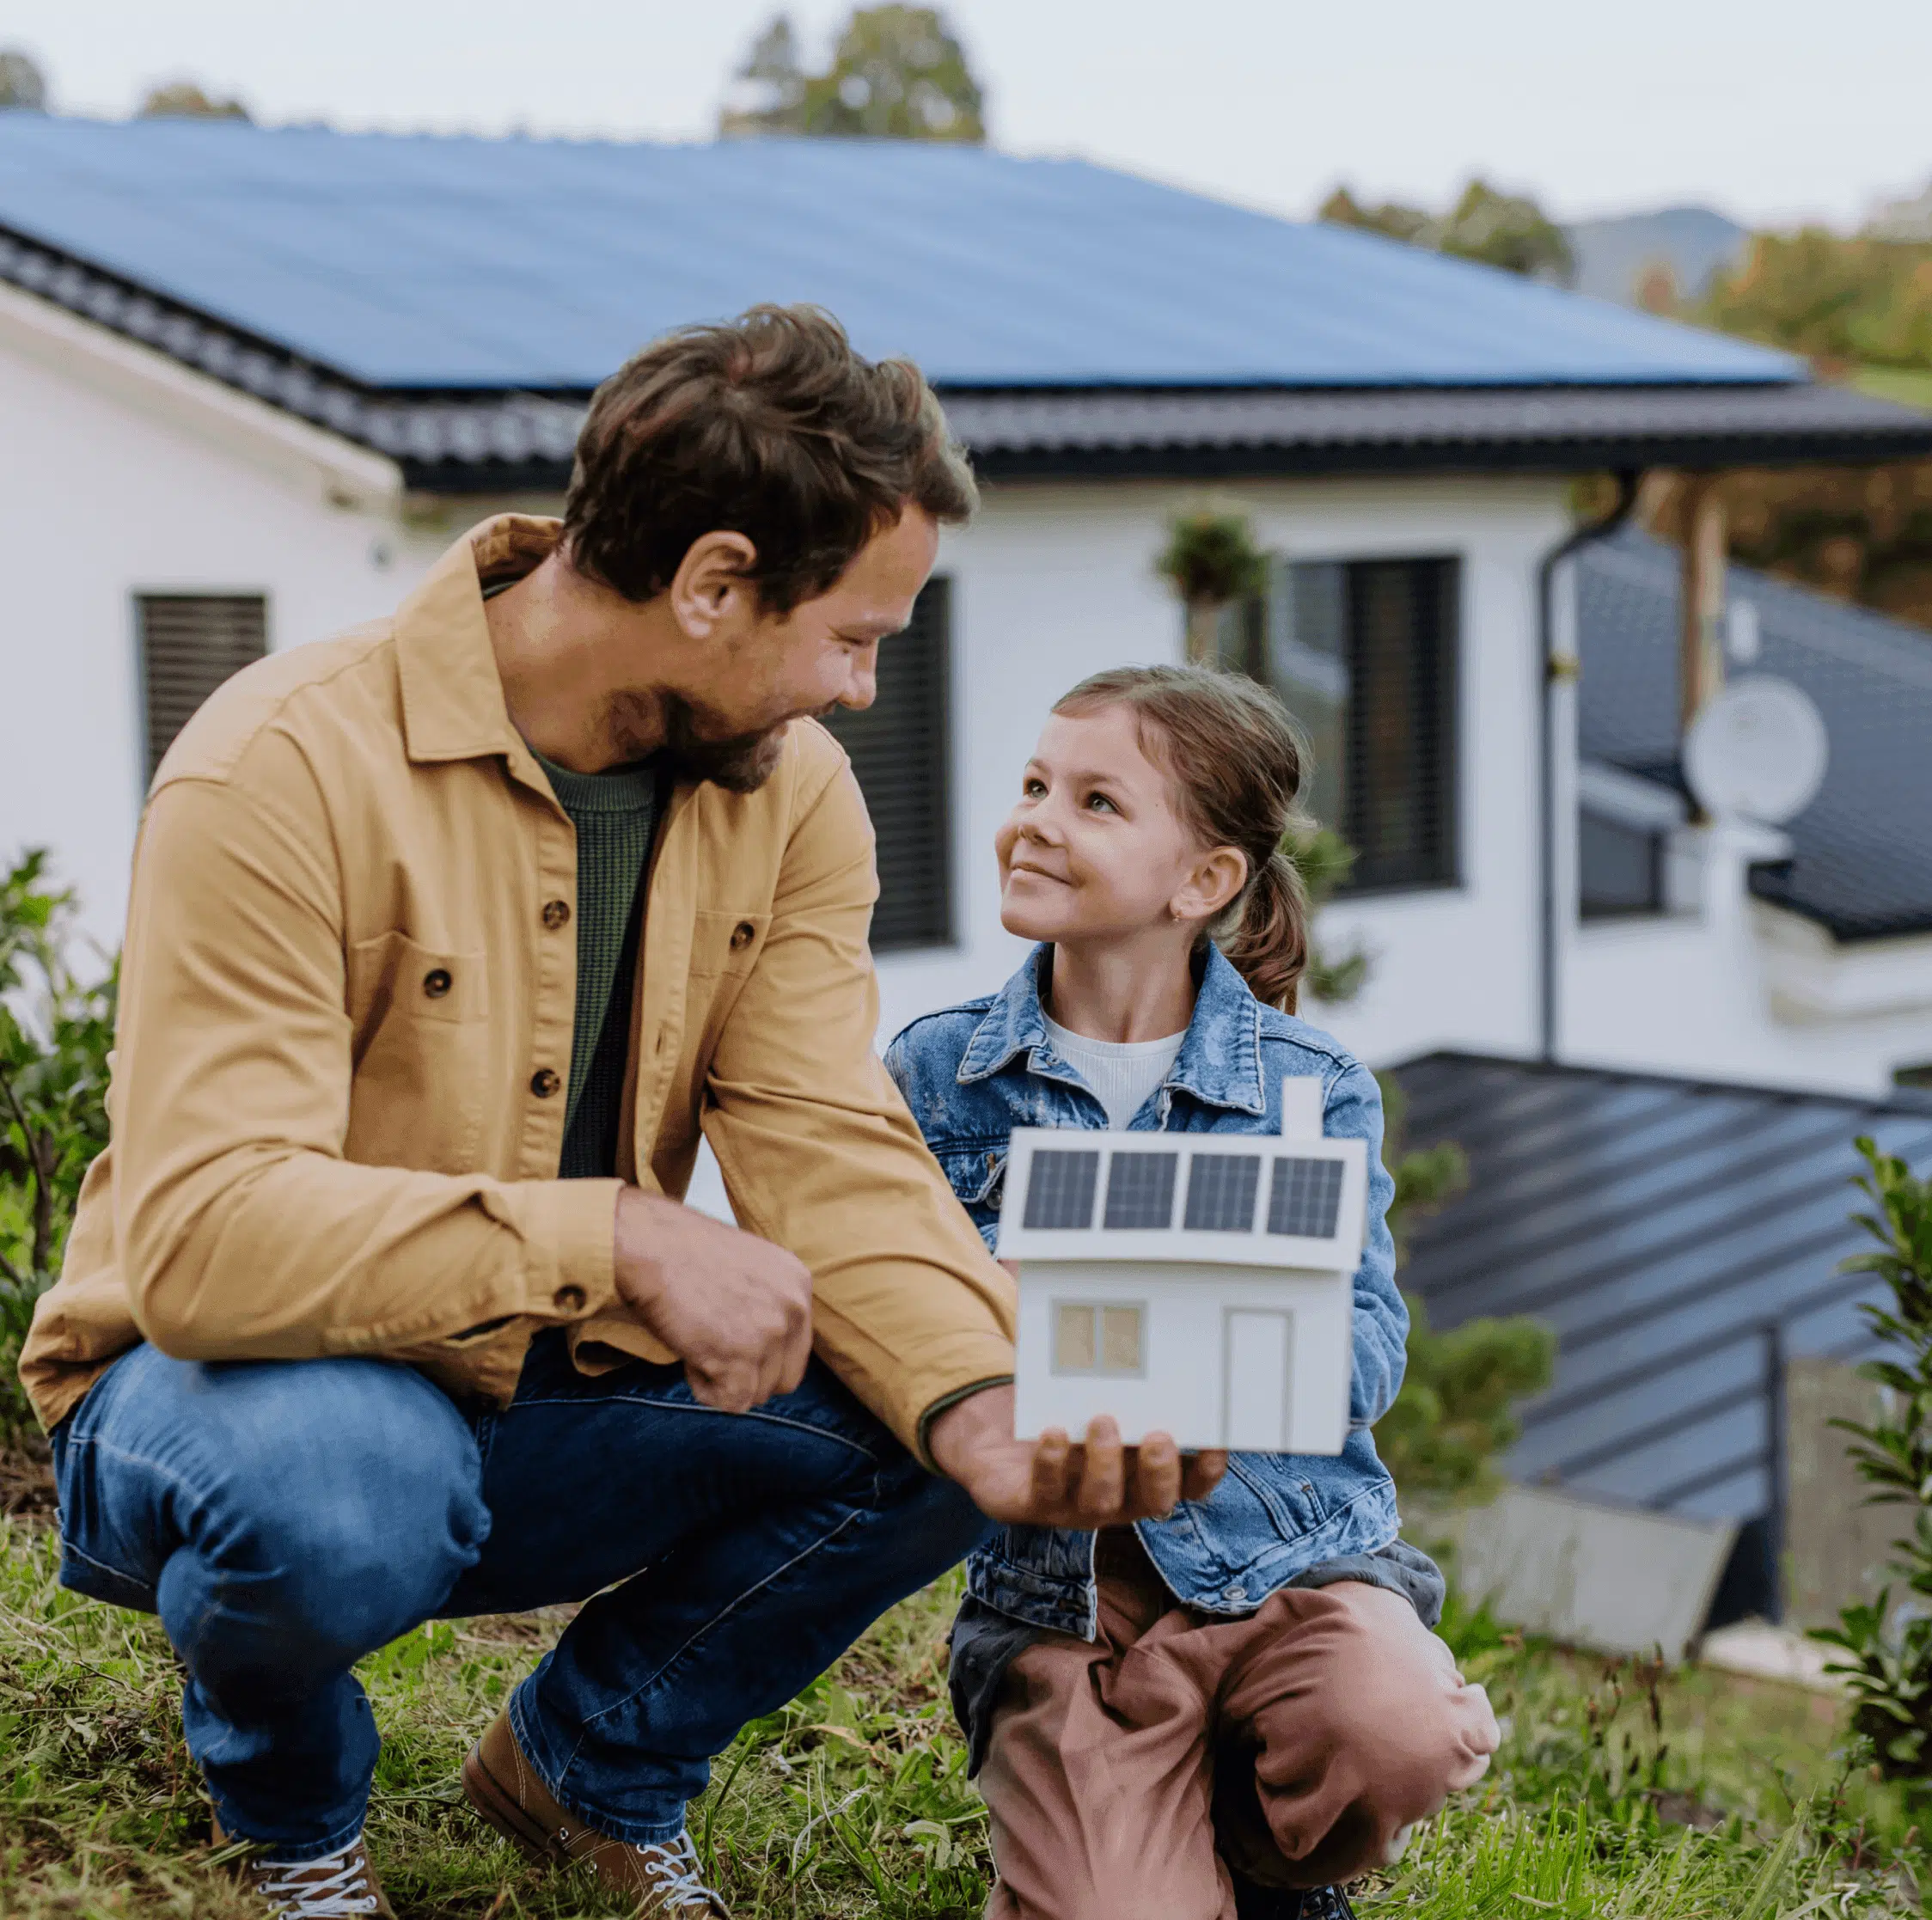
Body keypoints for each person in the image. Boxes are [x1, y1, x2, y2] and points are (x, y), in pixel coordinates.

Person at [19, 308, 1220, 1920]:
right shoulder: (282, 762)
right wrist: (615, 1232)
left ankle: (587, 1762)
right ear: (715, 583)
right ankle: (293, 1811)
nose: (864, 690)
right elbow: (202, 1244)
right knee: (348, 1484)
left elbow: (824, 1141)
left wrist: (984, 1397)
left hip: (542, 1396)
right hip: (227, 1398)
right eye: (854, 638)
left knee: (938, 1385)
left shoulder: (788, 796)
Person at [885, 666, 1501, 1920]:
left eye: (1098, 800)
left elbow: (1370, 1343)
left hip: (1293, 1561)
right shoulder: (938, 1071)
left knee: (1399, 1731)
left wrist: (1140, 1324)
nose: (1040, 819)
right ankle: (1149, 1830)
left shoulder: (1309, 1084)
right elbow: (891, 1322)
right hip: (1069, 1600)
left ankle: (1262, 1852)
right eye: (1036, 784)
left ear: (1205, 881)